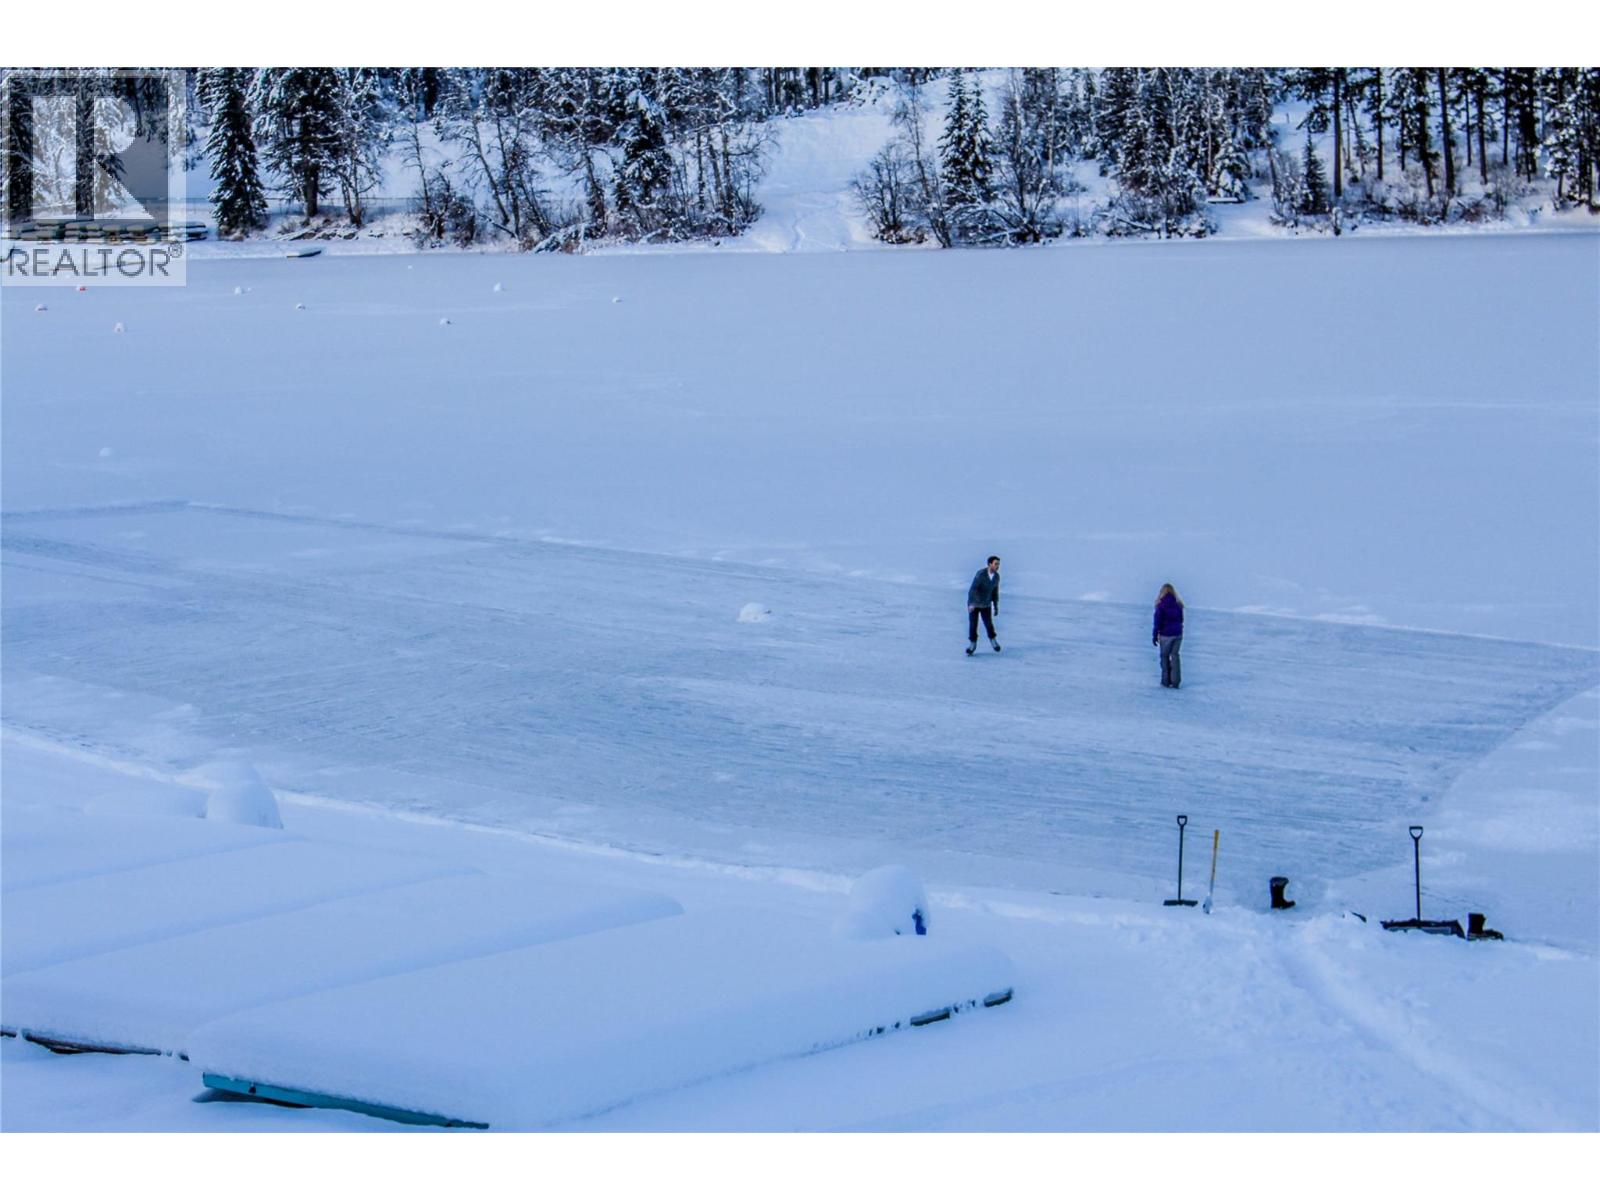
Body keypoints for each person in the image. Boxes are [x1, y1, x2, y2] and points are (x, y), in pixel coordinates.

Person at [966, 556, 1002, 655]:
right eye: (995, 564)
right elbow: (973, 589)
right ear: (990, 564)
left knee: (989, 624)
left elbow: (995, 592)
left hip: (986, 604)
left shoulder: (996, 577)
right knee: (973, 625)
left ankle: (993, 641)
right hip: (974, 604)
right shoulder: (981, 574)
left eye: (998, 564)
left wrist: (995, 605)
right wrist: (972, 604)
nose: (997, 566)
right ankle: (972, 644)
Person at [1152, 582, 1184, 688]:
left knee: (1164, 657)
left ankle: (1165, 681)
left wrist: (1155, 635)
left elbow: (1157, 622)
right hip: (1178, 634)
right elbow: (1181, 619)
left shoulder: (1161, 605)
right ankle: (1176, 681)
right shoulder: (1179, 604)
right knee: (1175, 656)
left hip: (1166, 635)